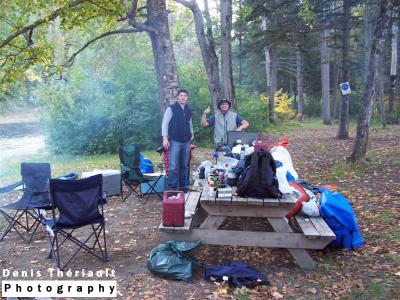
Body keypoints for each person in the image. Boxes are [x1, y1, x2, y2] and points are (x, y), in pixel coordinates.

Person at [162, 89, 194, 192]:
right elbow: (165, 124)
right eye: (181, 95)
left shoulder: (188, 110)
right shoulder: (171, 109)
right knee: (173, 166)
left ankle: (183, 187)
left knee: (184, 165)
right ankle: (172, 188)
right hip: (175, 140)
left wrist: (192, 134)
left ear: (187, 98)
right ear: (178, 97)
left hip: (186, 141)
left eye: (185, 95)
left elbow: (190, 123)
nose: (183, 97)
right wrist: (165, 138)